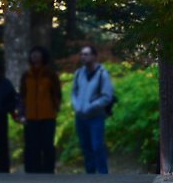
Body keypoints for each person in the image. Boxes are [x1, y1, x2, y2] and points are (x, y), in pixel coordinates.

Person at [70, 44, 114, 174]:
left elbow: (107, 96)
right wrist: (77, 106)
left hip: (95, 116)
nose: (83, 57)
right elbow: (74, 93)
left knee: (97, 146)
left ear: (94, 56)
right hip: (80, 116)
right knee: (85, 147)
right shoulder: (79, 73)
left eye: (86, 54)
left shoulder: (102, 73)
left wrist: (91, 106)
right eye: (82, 54)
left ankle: (102, 174)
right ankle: (90, 175)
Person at [19, 45, 61, 174]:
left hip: (47, 116)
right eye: (33, 54)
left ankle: (48, 171)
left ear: (43, 56)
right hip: (30, 116)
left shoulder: (50, 74)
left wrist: (56, 108)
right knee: (31, 146)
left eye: (38, 54)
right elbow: (22, 96)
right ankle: (32, 172)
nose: (35, 56)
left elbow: (56, 93)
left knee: (47, 145)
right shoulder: (26, 75)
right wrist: (22, 113)